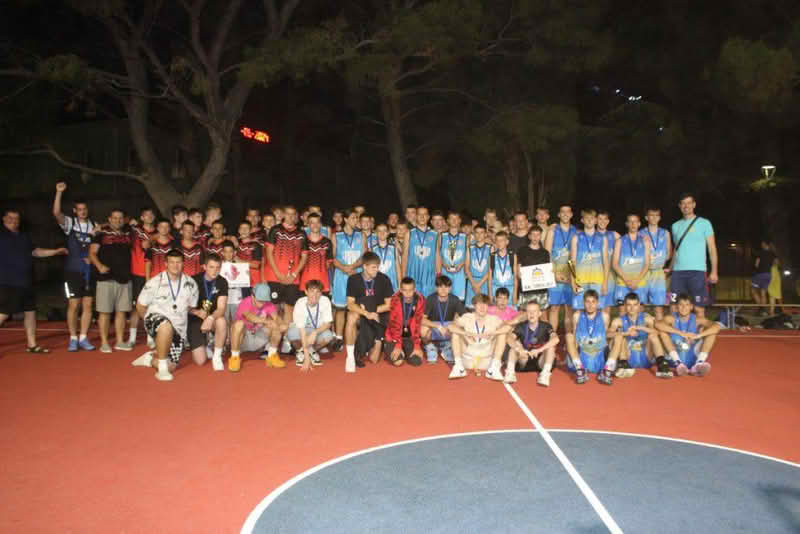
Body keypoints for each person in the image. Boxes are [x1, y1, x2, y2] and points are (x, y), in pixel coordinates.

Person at [0, 208, 67, 354]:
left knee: (30, 313)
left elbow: (35, 252)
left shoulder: (23, 236)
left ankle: (32, 345)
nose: (14, 221)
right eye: (10, 217)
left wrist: (55, 251)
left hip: (27, 281)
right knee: (4, 313)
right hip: (9, 282)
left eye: (16, 218)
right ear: (4, 219)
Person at [130, 249, 200, 381]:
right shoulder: (154, 282)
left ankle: (150, 359)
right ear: (166, 264)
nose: (175, 265)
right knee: (165, 325)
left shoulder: (191, 283)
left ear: (183, 264)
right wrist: (150, 329)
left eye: (178, 262)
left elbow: (190, 307)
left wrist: (199, 312)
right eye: (172, 262)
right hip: (156, 320)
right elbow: (140, 306)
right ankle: (161, 370)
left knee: (171, 366)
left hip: (178, 328)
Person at [53, 181, 98, 351]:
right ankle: (72, 338)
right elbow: (56, 213)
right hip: (73, 271)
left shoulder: (95, 226)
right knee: (73, 305)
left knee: (88, 305)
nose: (83, 211)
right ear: (75, 211)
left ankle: (83, 337)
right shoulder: (70, 223)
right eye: (79, 209)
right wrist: (59, 192)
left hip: (89, 272)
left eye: (84, 209)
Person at [264, 205, 309, 353]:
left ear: (296, 216)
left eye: (293, 214)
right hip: (275, 277)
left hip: (293, 279)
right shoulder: (275, 230)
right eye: (288, 214)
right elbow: (269, 252)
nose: (290, 217)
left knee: (290, 310)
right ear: (283, 215)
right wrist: (277, 273)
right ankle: (271, 343)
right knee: (273, 310)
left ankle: (287, 341)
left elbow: (304, 256)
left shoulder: (301, 233)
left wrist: (294, 274)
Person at [89, 208, 135, 353]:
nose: (117, 220)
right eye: (114, 218)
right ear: (109, 219)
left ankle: (120, 341)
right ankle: (104, 343)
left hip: (124, 278)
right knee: (105, 312)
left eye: (120, 218)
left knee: (122, 311)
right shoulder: (101, 234)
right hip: (106, 278)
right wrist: (99, 266)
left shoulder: (128, 234)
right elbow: (92, 253)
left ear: (124, 220)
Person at [669, 193, 718, 320]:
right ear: (679, 206)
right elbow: (676, 250)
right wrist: (670, 268)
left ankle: (699, 333)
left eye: (689, 203)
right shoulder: (675, 226)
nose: (686, 206)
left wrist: (714, 271)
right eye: (683, 203)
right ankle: (676, 332)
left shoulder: (704, 223)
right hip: (678, 273)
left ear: (694, 205)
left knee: (698, 308)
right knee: (674, 307)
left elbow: (712, 249)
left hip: (698, 272)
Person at [344, 252, 394, 372]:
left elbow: (389, 305)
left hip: (378, 316)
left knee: (374, 359)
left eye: (377, 267)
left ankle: (375, 342)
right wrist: (366, 313)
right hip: (363, 314)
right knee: (351, 316)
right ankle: (350, 357)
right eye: (373, 267)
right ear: (364, 266)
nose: (377, 270)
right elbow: (350, 304)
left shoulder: (384, 279)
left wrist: (372, 311)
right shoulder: (353, 279)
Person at [447, 293, 509, 380]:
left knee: (502, 334)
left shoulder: (494, 319)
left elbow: (508, 328)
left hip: (487, 360)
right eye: (479, 304)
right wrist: (465, 333)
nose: (482, 307)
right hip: (468, 359)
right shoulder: (467, 317)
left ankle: (494, 369)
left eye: (485, 304)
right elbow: (450, 327)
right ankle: (459, 367)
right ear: (474, 305)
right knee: (455, 333)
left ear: (488, 306)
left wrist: (494, 332)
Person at [656, 293, 720, 377]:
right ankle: (678, 364)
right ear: (677, 306)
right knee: (662, 332)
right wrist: (681, 333)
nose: (684, 307)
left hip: (692, 354)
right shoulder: (671, 318)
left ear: (691, 307)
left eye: (687, 305)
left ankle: (699, 363)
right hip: (674, 357)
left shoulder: (697, 319)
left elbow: (716, 327)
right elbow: (658, 324)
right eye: (681, 305)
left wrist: (698, 335)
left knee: (712, 334)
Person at [228, 282, 286, 372]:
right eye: (259, 301)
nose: (262, 304)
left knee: (275, 325)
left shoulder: (268, 304)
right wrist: (266, 321)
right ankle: (234, 357)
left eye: (264, 301)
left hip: (258, 337)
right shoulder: (245, 302)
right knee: (238, 324)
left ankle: (272, 355)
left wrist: (281, 324)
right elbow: (250, 317)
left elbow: (276, 318)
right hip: (243, 340)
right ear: (252, 296)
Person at [606, 292, 666, 379]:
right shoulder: (618, 321)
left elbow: (658, 333)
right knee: (619, 337)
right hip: (628, 356)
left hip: (646, 354)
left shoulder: (647, 318)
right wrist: (625, 333)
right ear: (625, 306)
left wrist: (640, 328)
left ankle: (662, 365)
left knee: (653, 336)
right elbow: (607, 335)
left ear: (639, 305)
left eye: (635, 305)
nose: (632, 308)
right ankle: (623, 364)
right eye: (629, 305)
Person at [565, 290, 619, 385]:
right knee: (569, 336)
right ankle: (580, 370)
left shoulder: (604, 316)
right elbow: (574, 335)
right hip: (581, 356)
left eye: (593, 302)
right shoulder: (577, 315)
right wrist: (571, 349)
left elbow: (606, 337)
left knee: (618, 336)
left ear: (597, 303)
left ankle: (607, 370)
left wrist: (619, 334)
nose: (590, 305)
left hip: (600, 356)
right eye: (587, 302)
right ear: (583, 303)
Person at [188, 253, 228, 371]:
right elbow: (183, 306)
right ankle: (205, 343)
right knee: (200, 361)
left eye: (217, 267)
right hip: (195, 319)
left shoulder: (222, 282)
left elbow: (221, 308)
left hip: (212, 317)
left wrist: (210, 318)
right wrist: (196, 312)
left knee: (221, 321)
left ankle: (217, 356)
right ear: (204, 267)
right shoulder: (192, 280)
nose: (215, 271)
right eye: (211, 267)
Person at [506, 300, 559, 386]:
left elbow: (556, 339)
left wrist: (539, 350)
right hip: (524, 359)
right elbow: (509, 338)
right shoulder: (521, 326)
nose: (531, 314)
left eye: (534, 311)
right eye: (529, 311)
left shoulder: (546, 326)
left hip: (541, 360)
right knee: (514, 347)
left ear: (539, 313)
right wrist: (519, 349)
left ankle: (545, 374)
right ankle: (510, 372)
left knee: (551, 347)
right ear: (526, 314)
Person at [332, 210, 366, 339]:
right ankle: (339, 338)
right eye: (353, 218)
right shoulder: (336, 236)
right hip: (341, 275)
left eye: (357, 218)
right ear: (345, 219)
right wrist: (343, 268)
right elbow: (332, 257)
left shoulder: (361, 235)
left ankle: (357, 339)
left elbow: (365, 255)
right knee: (340, 309)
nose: (356, 220)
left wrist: (352, 267)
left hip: (357, 275)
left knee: (357, 309)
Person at [544, 205, 577, 335]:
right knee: (554, 308)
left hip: (570, 276)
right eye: (562, 212)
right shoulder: (552, 231)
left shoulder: (576, 232)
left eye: (568, 212)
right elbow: (547, 254)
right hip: (555, 275)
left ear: (571, 214)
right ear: (558, 215)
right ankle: (553, 337)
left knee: (569, 308)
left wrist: (572, 277)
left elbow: (576, 257)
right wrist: (554, 274)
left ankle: (569, 338)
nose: (565, 214)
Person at [290, 279, 335, 370]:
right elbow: (302, 330)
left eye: (318, 292)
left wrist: (315, 332)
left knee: (329, 336)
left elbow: (328, 324)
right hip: (302, 330)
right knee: (292, 333)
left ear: (321, 293)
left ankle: (307, 351)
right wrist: (307, 359)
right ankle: (307, 352)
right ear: (306, 292)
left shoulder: (325, 301)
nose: (315, 295)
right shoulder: (300, 303)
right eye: (311, 291)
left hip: (317, 330)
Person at [569, 209, 609, 311]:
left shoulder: (603, 238)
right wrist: (573, 282)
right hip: (580, 281)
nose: (590, 220)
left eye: (592, 218)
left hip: (598, 281)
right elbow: (571, 261)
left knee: (598, 310)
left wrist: (605, 282)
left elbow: (606, 262)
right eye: (587, 218)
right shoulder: (576, 238)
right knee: (579, 310)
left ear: (595, 220)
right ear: (582, 220)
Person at [127, 206, 156, 348]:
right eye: (146, 214)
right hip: (137, 273)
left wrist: (152, 241)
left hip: (153, 274)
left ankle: (150, 336)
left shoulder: (159, 232)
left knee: (151, 306)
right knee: (136, 307)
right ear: (141, 217)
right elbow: (118, 222)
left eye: (151, 214)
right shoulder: (135, 231)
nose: (149, 217)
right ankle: (132, 338)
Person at [421, 275, 465, 363]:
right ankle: (429, 346)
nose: (443, 289)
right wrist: (439, 327)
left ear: (450, 288)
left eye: (446, 287)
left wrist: (453, 324)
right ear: (436, 288)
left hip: (449, 326)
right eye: (440, 286)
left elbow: (465, 317)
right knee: (422, 328)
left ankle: (447, 346)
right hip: (435, 326)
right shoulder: (430, 298)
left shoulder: (455, 299)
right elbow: (422, 319)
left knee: (462, 327)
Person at [383, 277, 426, 366]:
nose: (408, 293)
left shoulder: (420, 299)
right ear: (400, 290)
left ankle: (404, 351)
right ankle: (389, 347)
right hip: (394, 336)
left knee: (416, 361)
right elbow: (394, 324)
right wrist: (398, 345)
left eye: (410, 290)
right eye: (405, 290)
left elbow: (418, 323)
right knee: (398, 362)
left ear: (414, 289)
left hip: (409, 336)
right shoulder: (395, 299)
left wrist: (417, 345)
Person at [613, 213, 650, 308]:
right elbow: (615, 264)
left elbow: (647, 264)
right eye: (630, 221)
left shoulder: (645, 241)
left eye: (635, 221)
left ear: (639, 224)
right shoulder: (619, 241)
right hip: (623, 282)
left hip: (639, 282)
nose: (633, 224)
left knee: (639, 310)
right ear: (627, 224)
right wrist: (627, 280)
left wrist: (637, 280)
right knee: (622, 310)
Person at [641, 207, 672, 320]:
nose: (654, 218)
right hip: (643, 273)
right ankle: (639, 329)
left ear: (659, 218)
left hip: (658, 273)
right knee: (640, 305)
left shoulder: (665, 233)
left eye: (656, 215)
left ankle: (659, 329)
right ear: (646, 217)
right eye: (651, 215)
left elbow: (669, 253)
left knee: (658, 307)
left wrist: (659, 261)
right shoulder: (641, 233)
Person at [403, 206, 438, 299]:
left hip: (429, 275)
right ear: (416, 216)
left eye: (425, 214)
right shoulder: (409, 233)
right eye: (419, 214)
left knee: (428, 302)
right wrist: (403, 276)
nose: (422, 217)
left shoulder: (435, 234)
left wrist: (438, 275)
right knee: (413, 302)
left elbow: (437, 256)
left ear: (428, 217)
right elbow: (405, 256)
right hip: (413, 273)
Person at [437, 211, 468, 302]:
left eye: (456, 219)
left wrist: (461, 264)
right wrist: (444, 264)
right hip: (445, 271)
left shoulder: (466, 237)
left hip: (460, 273)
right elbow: (437, 255)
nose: (454, 221)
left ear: (460, 220)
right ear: (447, 220)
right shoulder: (441, 236)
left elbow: (468, 256)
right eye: (452, 218)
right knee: (444, 298)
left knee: (458, 300)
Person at [516, 226, 550, 309]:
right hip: (526, 289)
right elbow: (518, 271)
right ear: (529, 236)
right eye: (533, 235)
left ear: (541, 236)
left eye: (538, 235)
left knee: (542, 313)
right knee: (524, 313)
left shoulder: (545, 253)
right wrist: (521, 276)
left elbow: (548, 272)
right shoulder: (522, 250)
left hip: (541, 290)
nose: (535, 237)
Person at [299, 212, 333, 295]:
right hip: (305, 281)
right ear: (308, 224)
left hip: (323, 282)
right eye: (312, 222)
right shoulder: (303, 241)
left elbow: (329, 263)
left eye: (317, 222)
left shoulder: (327, 242)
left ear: (321, 224)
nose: (315, 225)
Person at [596, 211, 619, 309]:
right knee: (593, 306)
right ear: (595, 220)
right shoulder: (590, 236)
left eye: (605, 219)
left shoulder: (614, 235)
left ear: (608, 221)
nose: (602, 221)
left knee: (606, 307)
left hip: (610, 276)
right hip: (595, 275)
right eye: (600, 219)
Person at [465, 225, 491, 307]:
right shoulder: (470, 248)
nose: (479, 235)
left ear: (485, 234)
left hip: (484, 281)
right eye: (477, 233)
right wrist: (474, 284)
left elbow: (490, 269)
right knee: (471, 308)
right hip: (472, 281)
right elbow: (466, 268)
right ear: (474, 234)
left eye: (481, 232)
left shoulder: (490, 248)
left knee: (484, 307)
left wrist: (479, 284)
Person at [489, 231, 517, 305]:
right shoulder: (492, 256)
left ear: (507, 242)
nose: (499, 243)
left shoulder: (512, 255)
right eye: (497, 240)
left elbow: (515, 277)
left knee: (510, 310)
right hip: (496, 289)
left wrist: (514, 294)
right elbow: (490, 277)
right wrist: (490, 294)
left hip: (509, 289)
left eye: (502, 240)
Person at [236, 221, 262, 294]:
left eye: (246, 228)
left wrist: (239, 261)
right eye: (242, 228)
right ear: (238, 230)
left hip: (253, 282)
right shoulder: (236, 245)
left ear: (250, 231)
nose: (244, 230)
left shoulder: (255, 245)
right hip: (239, 280)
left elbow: (256, 265)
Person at [374, 222, 401, 291]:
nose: (382, 233)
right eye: (379, 231)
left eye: (384, 230)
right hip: (377, 284)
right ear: (376, 233)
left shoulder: (394, 248)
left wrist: (400, 284)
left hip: (392, 284)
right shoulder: (372, 249)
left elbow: (398, 268)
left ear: (388, 232)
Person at [751, 239, 775, 314]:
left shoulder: (760, 253)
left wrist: (755, 269)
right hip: (768, 275)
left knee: (753, 291)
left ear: (764, 244)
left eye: (762, 244)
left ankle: (761, 307)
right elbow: (774, 263)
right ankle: (764, 310)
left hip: (760, 274)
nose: (761, 245)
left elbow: (756, 264)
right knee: (763, 293)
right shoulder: (772, 253)